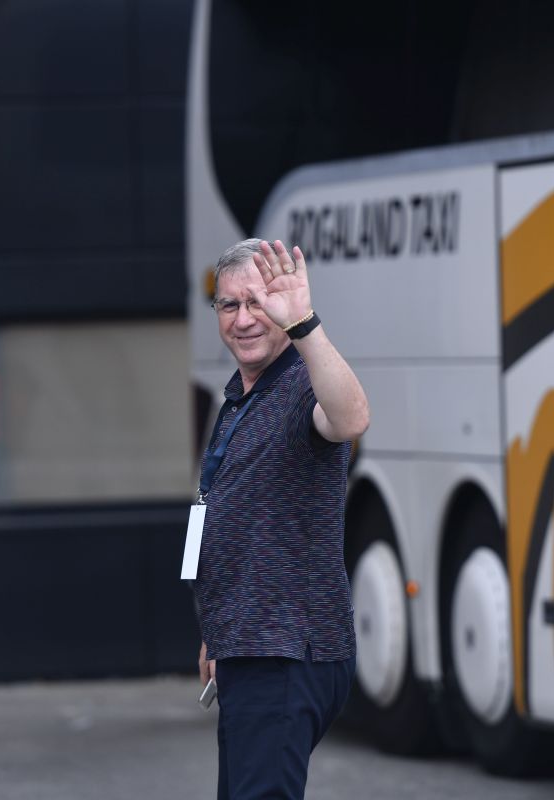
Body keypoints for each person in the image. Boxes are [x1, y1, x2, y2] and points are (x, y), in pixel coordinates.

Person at [192, 238, 369, 799]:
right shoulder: (240, 398)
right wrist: (215, 633)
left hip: (286, 650)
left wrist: (305, 324)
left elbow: (350, 417)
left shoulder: (301, 385)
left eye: (257, 303)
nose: (244, 319)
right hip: (248, 645)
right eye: (228, 305)